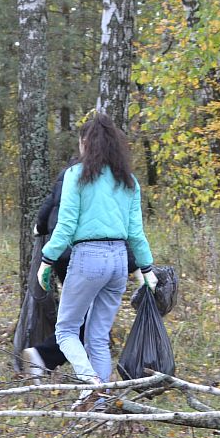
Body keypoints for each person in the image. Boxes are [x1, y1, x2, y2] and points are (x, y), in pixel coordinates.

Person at [28, 114, 157, 408]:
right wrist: (147, 269)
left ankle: (91, 383)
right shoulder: (128, 181)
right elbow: (136, 232)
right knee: (97, 336)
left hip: (88, 258)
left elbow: (66, 225)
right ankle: (102, 408)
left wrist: (47, 260)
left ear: (85, 142)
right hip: (119, 262)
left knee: (66, 330)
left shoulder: (77, 175)